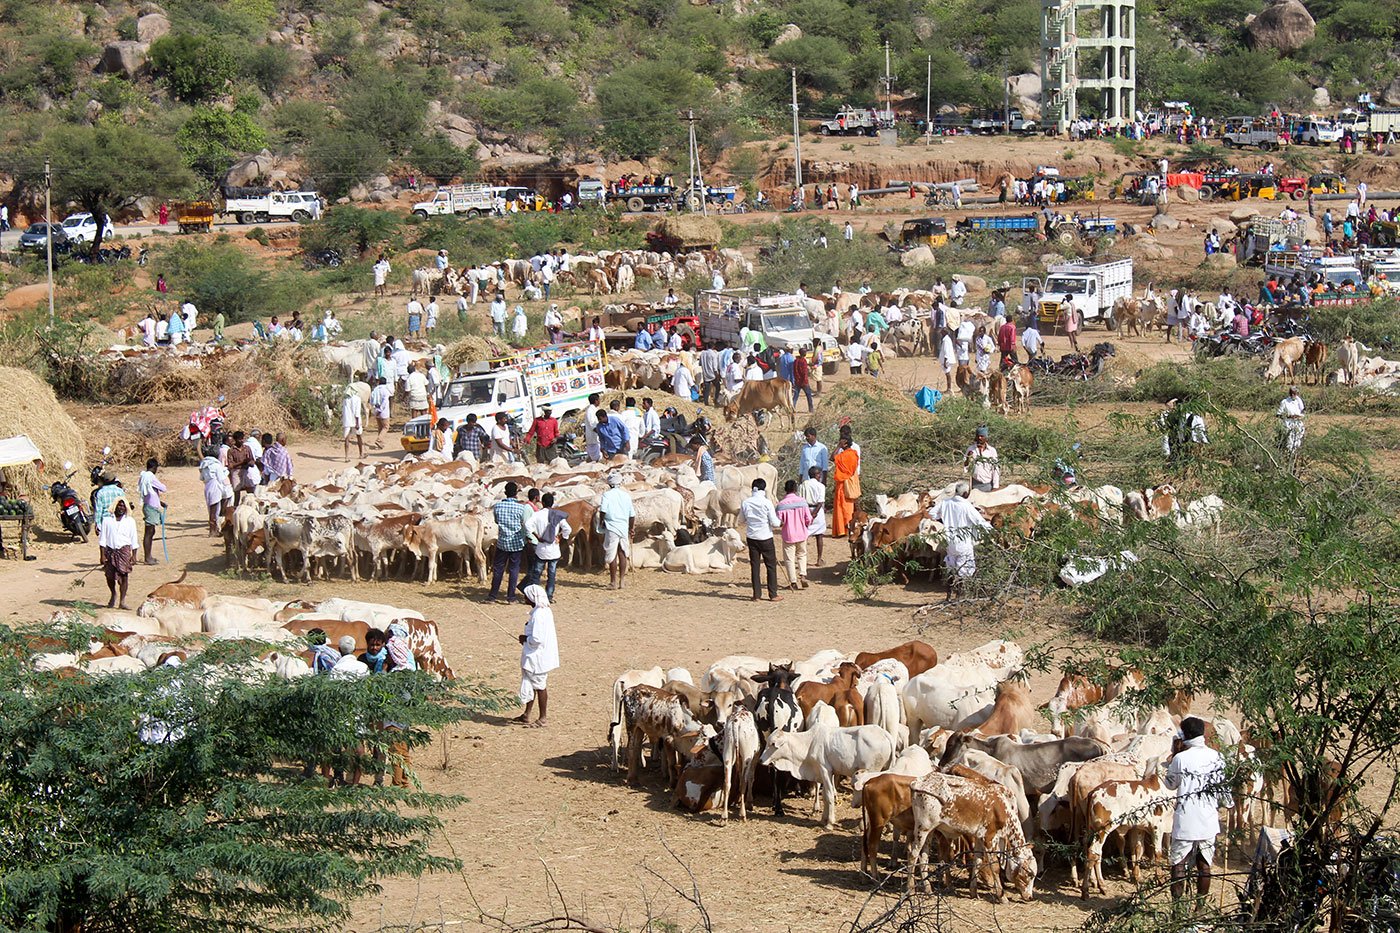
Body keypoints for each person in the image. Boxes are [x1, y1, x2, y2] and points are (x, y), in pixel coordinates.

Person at [1164, 716, 1233, 907]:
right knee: (1204, 864)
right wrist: (1228, 803)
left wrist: (1173, 756)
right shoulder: (1217, 757)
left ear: (1184, 735)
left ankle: (1177, 908)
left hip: (1185, 819)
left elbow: (1170, 784)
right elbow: (1223, 789)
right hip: (1208, 820)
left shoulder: (1180, 758)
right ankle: (1200, 907)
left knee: (1179, 864)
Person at [930, 481, 992, 598]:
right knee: (963, 570)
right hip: (964, 541)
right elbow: (978, 521)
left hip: (950, 541)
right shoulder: (966, 505)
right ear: (965, 493)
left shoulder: (945, 503)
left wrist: (944, 520)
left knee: (951, 568)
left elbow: (932, 513)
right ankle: (959, 597)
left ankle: (948, 596)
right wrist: (992, 530)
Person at [514, 585, 559, 728]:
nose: (524, 597)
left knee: (539, 686)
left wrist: (525, 639)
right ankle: (526, 714)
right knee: (532, 684)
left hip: (538, 657)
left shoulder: (539, 615)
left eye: (526, 595)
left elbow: (537, 638)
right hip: (537, 655)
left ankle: (543, 718)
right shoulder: (543, 612)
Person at [739, 479, 782, 602]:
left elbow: (741, 520)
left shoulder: (746, 502)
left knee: (755, 566)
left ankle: (756, 595)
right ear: (764, 489)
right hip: (766, 537)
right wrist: (781, 523)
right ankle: (773, 594)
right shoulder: (767, 503)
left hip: (752, 537)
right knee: (771, 566)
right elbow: (774, 522)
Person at [524, 492, 571, 601]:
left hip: (541, 549)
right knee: (552, 574)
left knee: (537, 574)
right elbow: (568, 529)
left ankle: (534, 597)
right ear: (552, 503)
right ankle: (549, 596)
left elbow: (527, 525)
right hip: (554, 550)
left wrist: (537, 536)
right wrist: (560, 537)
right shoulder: (558, 515)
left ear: (543, 503)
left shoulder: (537, 514)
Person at [489, 482, 530, 603]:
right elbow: (524, 523)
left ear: (505, 493)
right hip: (516, 543)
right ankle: (511, 597)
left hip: (502, 542)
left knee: (498, 569)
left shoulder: (497, 507)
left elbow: (497, 521)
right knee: (514, 569)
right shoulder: (521, 508)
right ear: (516, 494)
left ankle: (492, 595)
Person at [98, 499, 138, 610]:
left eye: (123, 506)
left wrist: (134, 555)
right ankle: (113, 594)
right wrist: (102, 555)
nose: (121, 508)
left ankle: (122, 601)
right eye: (119, 506)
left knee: (124, 576)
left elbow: (134, 539)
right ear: (115, 506)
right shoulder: (107, 520)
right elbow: (103, 539)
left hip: (124, 551)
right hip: (110, 551)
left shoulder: (130, 521)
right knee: (109, 576)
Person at [598, 472, 635, 590]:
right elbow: (632, 514)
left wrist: (601, 522)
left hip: (611, 526)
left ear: (609, 484)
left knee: (611, 553)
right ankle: (622, 581)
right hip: (623, 526)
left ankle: (613, 582)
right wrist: (631, 528)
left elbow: (603, 510)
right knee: (622, 552)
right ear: (620, 483)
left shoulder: (607, 495)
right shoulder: (626, 495)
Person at [776, 479, 813, 590]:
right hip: (802, 533)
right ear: (796, 489)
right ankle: (803, 574)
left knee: (789, 559)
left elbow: (778, 521)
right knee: (802, 554)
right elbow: (808, 519)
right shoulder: (802, 502)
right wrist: (805, 524)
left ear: (785, 490)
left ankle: (793, 581)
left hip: (788, 535)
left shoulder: (781, 504)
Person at [136, 458, 167, 565]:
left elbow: (150, 493)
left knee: (151, 531)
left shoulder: (143, 477)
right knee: (149, 532)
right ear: (154, 467)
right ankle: (147, 558)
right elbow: (163, 488)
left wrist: (160, 503)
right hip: (151, 508)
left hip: (149, 505)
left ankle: (149, 556)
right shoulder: (150, 477)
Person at [830, 435, 860, 540]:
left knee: (841, 508)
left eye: (841, 442)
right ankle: (847, 529)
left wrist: (838, 447)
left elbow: (832, 457)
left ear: (845, 443)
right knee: (848, 508)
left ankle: (842, 530)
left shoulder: (845, 455)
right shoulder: (854, 454)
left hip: (843, 485)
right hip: (849, 485)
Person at [199, 449, 231, 536]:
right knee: (215, 509)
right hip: (215, 486)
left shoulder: (203, 465)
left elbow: (201, 478)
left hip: (207, 486)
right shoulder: (216, 465)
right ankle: (213, 531)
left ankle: (215, 529)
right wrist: (227, 471)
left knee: (211, 508)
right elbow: (221, 478)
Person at [964, 427, 1000, 492]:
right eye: (978, 436)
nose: (979, 438)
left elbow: (995, 469)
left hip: (988, 484)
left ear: (986, 437)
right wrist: (968, 458)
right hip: (975, 485)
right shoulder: (971, 449)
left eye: (982, 436)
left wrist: (995, 486)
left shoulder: (992, 451)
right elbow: (965, 466)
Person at [1278, 385, 1305, 457]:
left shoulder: (1299, 401)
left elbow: (1303, 412)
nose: (1293, 395)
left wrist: (1299, 416)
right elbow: (1279, 414)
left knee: (1298, 440)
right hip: (1288, 423)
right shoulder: (1284, 402)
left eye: (1295, 393)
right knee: (1290, 441)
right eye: (1292, 393)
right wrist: (1289, 416)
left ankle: (1296, 456)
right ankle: (1290, 456)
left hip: (1298, 423)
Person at [341, 385, 365, 461]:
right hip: (355, 419)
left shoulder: (345, 399)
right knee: (359, 436)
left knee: (347, 438)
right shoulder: (357, 399)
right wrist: (357, 422)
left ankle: (346, 456)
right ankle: (361, 454)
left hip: (347, 420)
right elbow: (357, 411)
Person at [369, 377, 392, 450]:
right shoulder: (385, 390)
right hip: (383, 411)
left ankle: (380, 443)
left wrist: (375, 409)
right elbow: (385, 401)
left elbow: (371, 400)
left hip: (376, 409)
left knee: (380, 427)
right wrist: (381, 409)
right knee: (386, 427)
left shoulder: (375, 390)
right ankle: (379, 440)